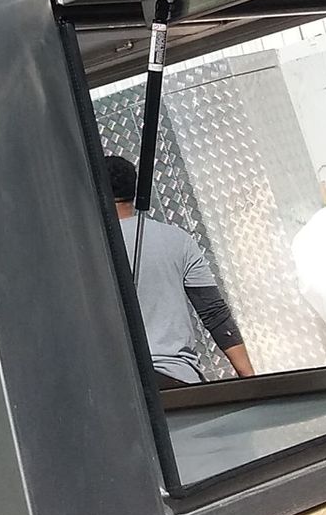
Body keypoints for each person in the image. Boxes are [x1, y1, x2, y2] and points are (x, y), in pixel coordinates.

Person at [104, 154, 255, 385]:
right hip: (177, 379)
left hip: (117, 383)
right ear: (136, 191)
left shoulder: (84, 249)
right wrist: (249, 377)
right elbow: (213, 311)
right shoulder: (177, 240)